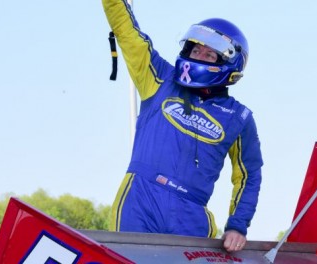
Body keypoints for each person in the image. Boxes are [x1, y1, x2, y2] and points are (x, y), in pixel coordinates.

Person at [102, 0, 263, 253]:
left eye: (209, 54)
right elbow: (126, 31)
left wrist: (237, 224)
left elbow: (248, 175)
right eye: (195, 50)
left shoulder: (239, 117)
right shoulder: (159, 79)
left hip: (192, 213)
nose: (198, 57)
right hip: (140, 198)